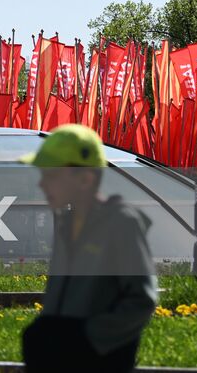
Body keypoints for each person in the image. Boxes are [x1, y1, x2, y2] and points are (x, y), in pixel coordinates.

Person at [19, 125, 157, 373]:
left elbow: (142, 300)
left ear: (85, 179)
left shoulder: (122, 223)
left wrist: (88, 338)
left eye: (51, 176)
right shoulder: (65, 224)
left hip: (100, 361)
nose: (41, 184)